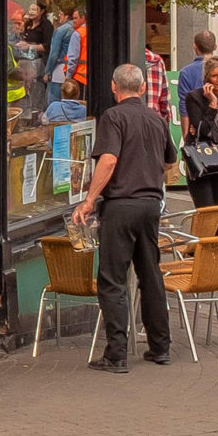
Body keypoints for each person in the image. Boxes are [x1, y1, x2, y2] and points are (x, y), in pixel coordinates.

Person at [73, 64, 175, 373]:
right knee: (150, 274)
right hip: (150, 204)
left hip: (122, 204)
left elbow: (109, 159)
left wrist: (90, 199)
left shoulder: (113, 117)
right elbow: (171, 162)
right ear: (143, 89)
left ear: (114, 89)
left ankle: (116, 353)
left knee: (113, 279)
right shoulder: (157, 120)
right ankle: (160, 347)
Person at [180, 54, 218, 232]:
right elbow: (201, 131)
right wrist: (213, 105)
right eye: (215, 76)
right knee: (206, 217)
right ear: (207, 78)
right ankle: (202, 257)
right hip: (200, 163)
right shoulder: (194, 97)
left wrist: (211, 133)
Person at [173, 29, 218, 116]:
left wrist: (186, 129)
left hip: (198, 123)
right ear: (215, 47)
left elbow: (184, 106)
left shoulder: (186, 72)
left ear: (195, 46)